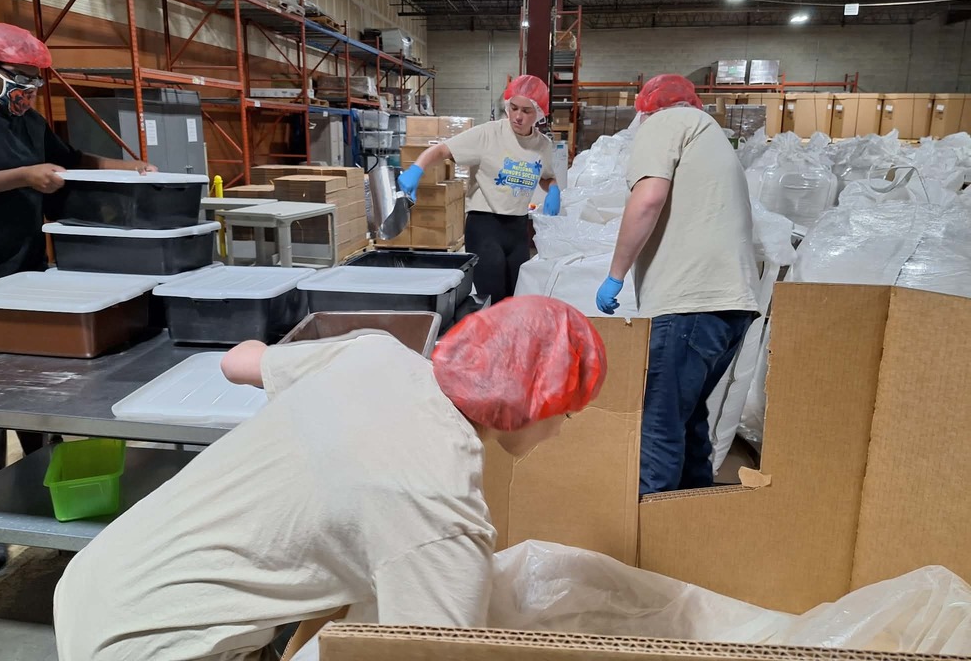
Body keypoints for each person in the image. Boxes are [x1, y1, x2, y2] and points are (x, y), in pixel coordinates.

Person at [53, 295, 607, 661]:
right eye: (568, 409)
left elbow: (235, 364)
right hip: (152, 648)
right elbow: (441, 650)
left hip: (97, 581)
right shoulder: (442, 512)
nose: (562, 430)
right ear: (532, 404)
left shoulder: (377, 356)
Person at [0, 21, 155, 572]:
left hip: (26, 276)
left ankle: (44, 500)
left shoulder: (27, 121)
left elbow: (74, 162)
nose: (24, 91)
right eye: (16, 79)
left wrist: (131, 169)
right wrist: (19, 176)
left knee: (39, 399)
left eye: (32, 82)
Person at [595, 74, 758, 495]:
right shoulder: (712, 137)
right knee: (688, 422)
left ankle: (647, 541)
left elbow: (648, 198)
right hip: (730, 306)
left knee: (660, 425)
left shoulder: (665, 124)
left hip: (689, 303)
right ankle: (691, 527)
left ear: (646, 108)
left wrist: (615, 275)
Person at [396, 74, 561, 305]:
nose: (518, 116)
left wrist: (553, 189)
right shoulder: (488, 134)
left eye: (526, 111)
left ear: (539, 114)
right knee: (492, 297)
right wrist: (417, 168)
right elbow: (442, 150)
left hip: (517, 228)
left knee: (516, 296)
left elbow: (546, 176)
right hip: (485, 225)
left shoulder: (542, 145)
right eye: (513, 108)